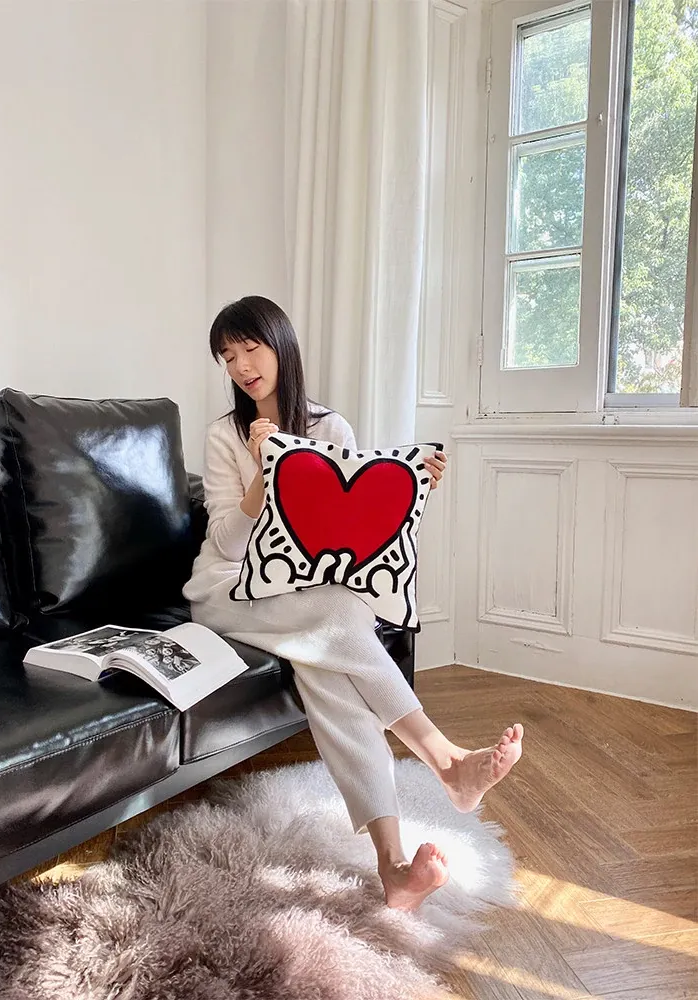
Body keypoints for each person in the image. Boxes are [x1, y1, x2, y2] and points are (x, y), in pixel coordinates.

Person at [183, 296, 523, 911]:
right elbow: (226, 542)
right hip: (228, 587)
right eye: (227, 357)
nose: (241, 366)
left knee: (331, 670)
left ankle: (393, 869)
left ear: (281, 345)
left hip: (308, 586)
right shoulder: (223, 435)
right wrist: (264, 473)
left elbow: (353, 534)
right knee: (339, 619)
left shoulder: (331, 428)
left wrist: (410, 487)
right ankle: (445, 760)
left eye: (250, 348)